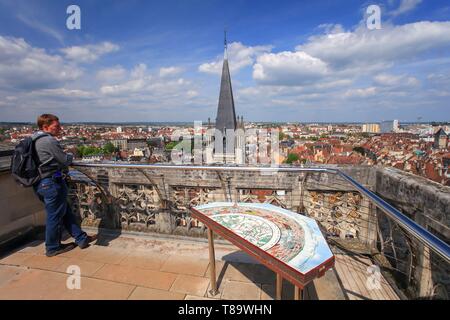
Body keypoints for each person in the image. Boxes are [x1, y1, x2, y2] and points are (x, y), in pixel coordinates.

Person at [32, 114, 96, 257]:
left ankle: (81, 238)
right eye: (56, 126)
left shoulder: (33, 138)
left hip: (41, 183)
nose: (60, 129)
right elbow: (64, 160)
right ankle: (52, 247)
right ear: (45, 127)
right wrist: (70, 155)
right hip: (51, 183)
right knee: (54, 217)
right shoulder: (48, 141)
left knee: (65, 211)